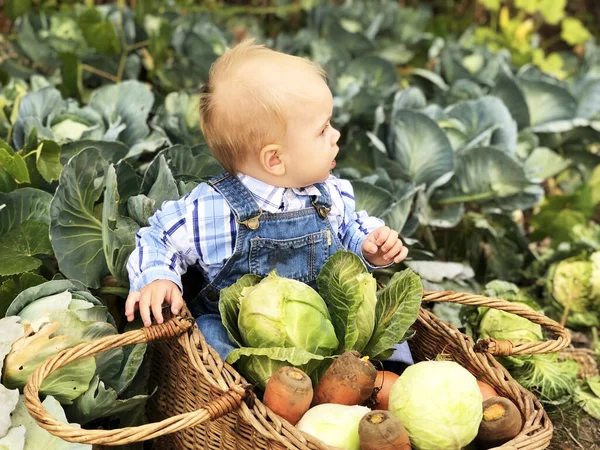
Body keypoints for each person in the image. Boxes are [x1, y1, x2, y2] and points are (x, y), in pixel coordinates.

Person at [125, 40, 412, 364]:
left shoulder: (328, 194)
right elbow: (159, 236)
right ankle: (247, 399)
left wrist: (368, 246)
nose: (336, 136)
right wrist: (158, 277)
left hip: (322, 324)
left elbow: (347, 232)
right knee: (211, 342)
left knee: (384, 326)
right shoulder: (213, 210)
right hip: (241, 331)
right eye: (322, 130)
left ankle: (389, 378)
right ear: (275, 159)